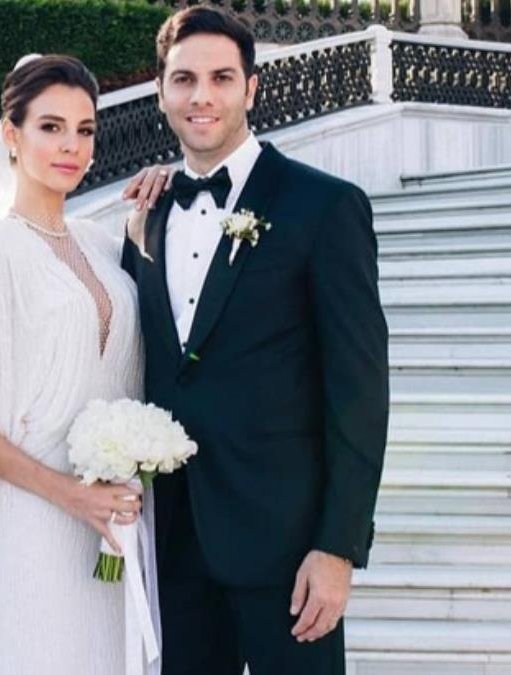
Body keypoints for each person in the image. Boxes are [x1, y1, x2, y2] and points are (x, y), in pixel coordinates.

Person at [119, 7, 390, 674]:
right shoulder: (146, 216)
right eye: (184, 79)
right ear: (161, 92)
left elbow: (359, 392)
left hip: (289, 552)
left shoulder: (323, 206)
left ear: (251, 88)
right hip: (175, 549)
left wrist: (338, 547)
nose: (202, 96)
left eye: (221, 78)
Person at [0, 54, 163, 675]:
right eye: (51, 127)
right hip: (34, 524)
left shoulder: (101, 243)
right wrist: (70, 495)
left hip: (113, 527)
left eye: (85, 130)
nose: (72, 146)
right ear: (12, 134)